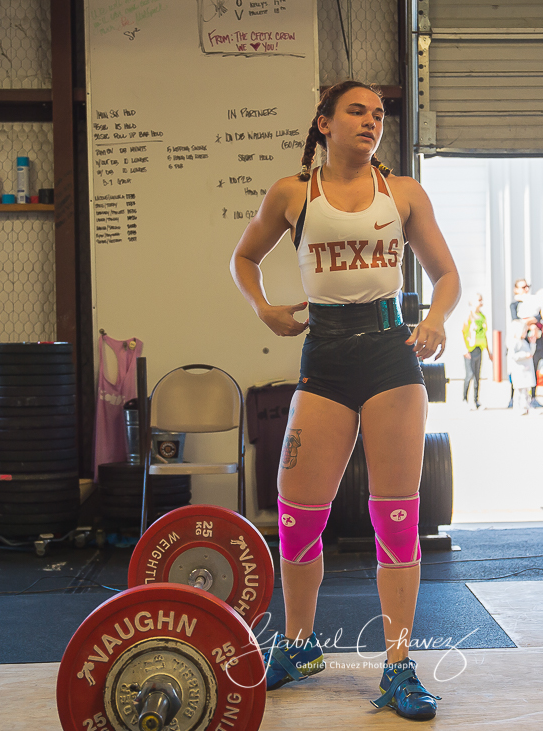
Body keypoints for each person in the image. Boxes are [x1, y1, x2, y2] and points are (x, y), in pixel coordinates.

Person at [228, 81, 460, 720]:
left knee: (397, 518)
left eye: (379, 114)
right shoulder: (292, 193)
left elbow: (446, 274)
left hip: (390, 355)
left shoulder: (403, 193)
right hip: (325, 355)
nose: (371, 121)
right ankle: (298, 645)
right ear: (324, 123)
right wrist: (264, 309)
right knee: (297, 515)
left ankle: (399, 665)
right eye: (356, 111)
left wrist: (435, 318)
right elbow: (243, 258)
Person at [460, 293, 488, 409]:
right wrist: (464, 348)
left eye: (481, 300)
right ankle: (464, 399)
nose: (481, 302)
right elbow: (462, 332)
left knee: (477, 375)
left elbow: (484, 334)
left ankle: (476, 400)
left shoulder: (482, 316)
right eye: (478, 300)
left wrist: (489, 351)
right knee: (470, 374)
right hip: (469, 350)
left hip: (479, 348)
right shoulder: (469, 316)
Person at [507, 320, 539, 415]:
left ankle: (526, 407)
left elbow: (531, 353)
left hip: (526, 371)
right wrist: (524, 355)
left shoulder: (524, 342)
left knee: (525, 391)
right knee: (519, 391)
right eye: (524, 331)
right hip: (519, 371)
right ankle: (517, 407)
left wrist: (533, 343)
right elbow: (513, 355)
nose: (526, 333)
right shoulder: (514, 342)